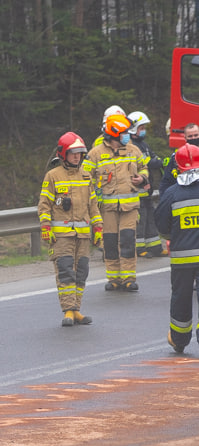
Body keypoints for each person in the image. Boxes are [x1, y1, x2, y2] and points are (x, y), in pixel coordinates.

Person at [38, 132, 102, 327]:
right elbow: (44, 204)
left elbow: (93, 204)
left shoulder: (85, 175)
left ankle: (76, 310)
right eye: (73, 153)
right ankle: (68, 310)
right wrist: (46, 226)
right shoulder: (53, 176)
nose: (77, 157)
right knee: (66, 271)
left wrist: (98, 226)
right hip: (62, 237)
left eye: (80, 153)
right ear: (63, 154)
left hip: (82, 236)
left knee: (81, 271)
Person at [82, 113, 149, 291]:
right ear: (113, 134)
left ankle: (128, 278)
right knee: (110, 242)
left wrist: (142, 178)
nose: (128, 135)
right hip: (107, 208)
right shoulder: (95, 154)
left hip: (130, 207)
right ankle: (113, 278)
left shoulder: (133, 150)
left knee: (128, 240)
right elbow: (84, 177)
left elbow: (144, 168)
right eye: (124, 132)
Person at [154, 144, 199, 353]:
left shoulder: (171, 194)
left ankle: (179, 339)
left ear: (178, 167)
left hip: (182, 259)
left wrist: (177, 237)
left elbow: (162, 227)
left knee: (181, 297)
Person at [128, 111, 164, 257]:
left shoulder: (143, 144)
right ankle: (139, 248)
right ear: (133, 128)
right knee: (140, 219)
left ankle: (155, 247)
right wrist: (161, 162)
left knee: (151, 216)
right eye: (141, 128)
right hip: (137, 190)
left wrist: (161, 161)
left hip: (147, 189)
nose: (143, 131)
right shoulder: (132, 146)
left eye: (144, 128)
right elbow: (148, 162)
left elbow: (154, 157)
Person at [160, 123, 199, 198]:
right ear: (185, 138)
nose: (193, 138)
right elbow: (166, 182)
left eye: (196, 135)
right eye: (190, 136)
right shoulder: (177, 157)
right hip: (183, 195)